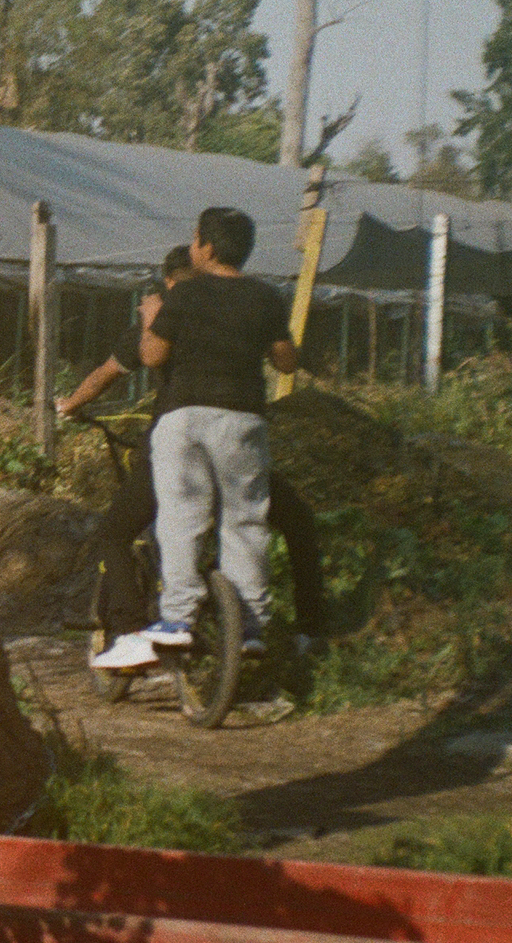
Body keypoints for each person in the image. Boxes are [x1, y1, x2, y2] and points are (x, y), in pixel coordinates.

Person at [59, 247, 327, 674]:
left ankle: (132, 631)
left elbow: (109, 372)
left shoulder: (163, 321)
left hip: (177, 446)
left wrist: (68, 405)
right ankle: (309, 629)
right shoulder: (238, 315)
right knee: (292, 519)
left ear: (169, 282)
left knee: (117, 532)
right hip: (235, 439)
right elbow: (283, 359)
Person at [117, 207, 299, 658]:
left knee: (181, 517)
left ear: (208, 247)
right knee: (246, 520)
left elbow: (154, 356)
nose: (193, 246)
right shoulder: (266, 297)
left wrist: (152, 318)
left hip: (185, 418)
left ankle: (178, 616)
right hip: (242, 418)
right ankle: (251, 626)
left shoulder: (185, 296)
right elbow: (286, 361)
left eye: (196, 239)